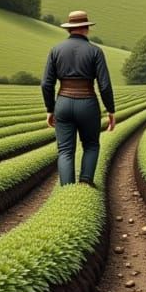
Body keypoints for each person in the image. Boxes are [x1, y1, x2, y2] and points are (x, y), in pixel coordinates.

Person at [41, 10, 116, 186]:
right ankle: (85, 181)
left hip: (63, 102)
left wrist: (50, 109)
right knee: (91, 145)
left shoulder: (55, 50)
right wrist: (110, 110)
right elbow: (104, 85)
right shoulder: (95, 51)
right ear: (86, 29)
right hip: (88, 102)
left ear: (69, 29)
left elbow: (46, 84)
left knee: (65, 150)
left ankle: (67, 189)